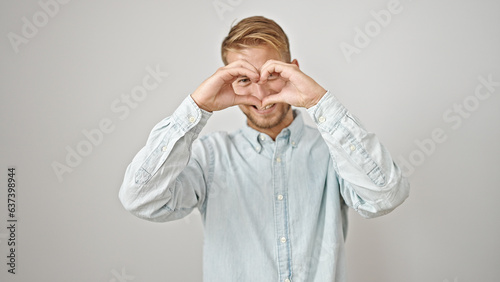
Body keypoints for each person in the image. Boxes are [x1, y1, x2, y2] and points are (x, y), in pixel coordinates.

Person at [119, 16, 410, 282]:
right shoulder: (209, 157)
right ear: (229, 80)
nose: (261, 93)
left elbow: (385, 195)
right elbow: (140, 198)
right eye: (245, 79)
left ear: (293, 71)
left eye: (272, 74)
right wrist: (197, 107)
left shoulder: (334, 152)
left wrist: (319, 102)